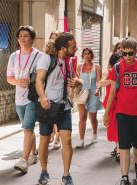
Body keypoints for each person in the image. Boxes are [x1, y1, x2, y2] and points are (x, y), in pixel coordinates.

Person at [103, 37, 137, 185]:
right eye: (124, 54)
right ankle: (124, 177)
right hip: (122, 112)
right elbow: (112, 92)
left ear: (136, 51)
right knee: (124, 145)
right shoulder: (117, 68)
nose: (127, 57)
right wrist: (106, 113)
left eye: (130, 53)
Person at [36, 32, 80, 185]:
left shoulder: (69, 62)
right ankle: (43, 171)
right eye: (73, 47)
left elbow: (75, 79)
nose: (76, 49)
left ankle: (66, 175)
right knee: (44, 140)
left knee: (67, 140)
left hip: (64, 106)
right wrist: (42, 97)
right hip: (48, 106)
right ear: (63, 48)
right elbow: (39, 81)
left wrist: (77, 82)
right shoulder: (46, 58)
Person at [7, 25, 40, 173]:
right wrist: (18, 82)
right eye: (20, 35)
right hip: (19, 98)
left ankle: (23, 161)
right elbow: (9, 78)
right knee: (29, 128)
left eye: (26, 35)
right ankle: (34, 153)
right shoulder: (14, 56)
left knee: (27, 128)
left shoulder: (39, 56)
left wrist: (33, 80)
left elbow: (43, 76)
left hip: (33, 97)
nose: (22, 38)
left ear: (32, 39)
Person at [75, 48, 102, 148]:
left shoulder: (97, 67)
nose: (87, 55)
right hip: (82, 93)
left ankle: (94, 133)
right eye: (85, 54)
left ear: (92, 55)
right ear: (83, 56)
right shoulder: (79, 66)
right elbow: (77, 80)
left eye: (89, 53)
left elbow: (99, 81)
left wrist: (98, 89)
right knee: (82, 117)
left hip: (93, 93)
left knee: (92, 117)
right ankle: (81, 140)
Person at [99, 52, 122, 161]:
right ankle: (118, 149)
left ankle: (119, 150)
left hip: (122, 102)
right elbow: (101, 83)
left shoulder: (124, 71)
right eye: (119, 60)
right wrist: (112, 81)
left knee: (119, 126)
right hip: (111, 103)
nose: (121, 62)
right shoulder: (109, 71)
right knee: (114, 126)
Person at [43, 31, 61, 150]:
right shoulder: (45, 56)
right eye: (51, 38)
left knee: (57, 116)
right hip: (47, 90)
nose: (53, 41)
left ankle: (57, 138)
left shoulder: (63, 57)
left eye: (55, 39)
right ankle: (51, 134)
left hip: (58, 92)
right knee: (49, 115)